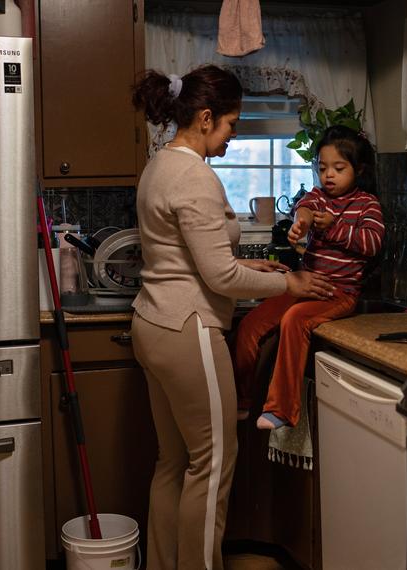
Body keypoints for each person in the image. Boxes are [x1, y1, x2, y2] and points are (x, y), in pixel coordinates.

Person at [129, 65, 336, 570]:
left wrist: (248, 266)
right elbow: (218, 279)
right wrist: (288, 282)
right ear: (204, 118)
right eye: (231, 124)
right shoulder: (195, 177)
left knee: (173, 463)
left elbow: (185, 258)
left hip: (152, 323)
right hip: (187, 330)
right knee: (214, 464)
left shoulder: (158, 165)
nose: (233, 135)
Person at [232, 125, 385, 429]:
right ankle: (242, 399)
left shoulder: (368, 205)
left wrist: (333, 227)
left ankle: (282, 409)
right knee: (250, 325)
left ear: (359, 169)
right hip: (306, 284)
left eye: (339, 168)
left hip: (338, 294)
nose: (329, 175)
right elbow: (305, 209)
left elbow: (371, 245)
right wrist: (300, 225)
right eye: (323, 167)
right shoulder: (318, 197)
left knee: (295, 320)